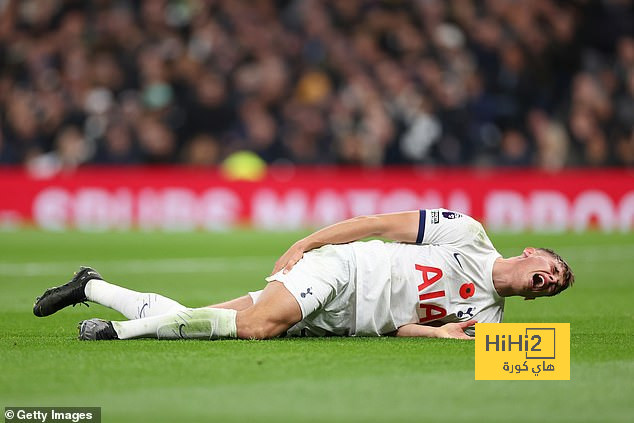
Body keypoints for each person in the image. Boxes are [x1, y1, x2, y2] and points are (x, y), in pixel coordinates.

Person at [33, 209, 574, 341]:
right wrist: (309, 241)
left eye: (552, 286)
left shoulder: (487, 320)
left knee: (200, 319)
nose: (548, 280)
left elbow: (401, 327)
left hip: (344, 320)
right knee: (256, 329)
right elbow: (380, 223)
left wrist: (436, 333)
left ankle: (91, 286)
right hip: (344, 270)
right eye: (550, 269)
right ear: (529, 253)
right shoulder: (468, 234)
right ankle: (116, 334)